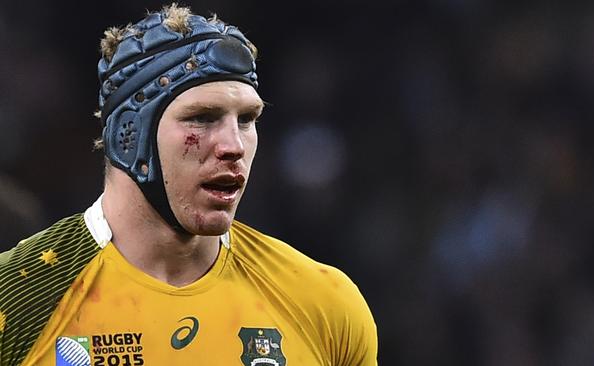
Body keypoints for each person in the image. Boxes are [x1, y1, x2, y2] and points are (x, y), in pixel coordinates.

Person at [0, 4, 377, 365]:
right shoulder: (16, 299)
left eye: (247, 119)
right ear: (128, 136)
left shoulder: (324, 303)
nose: (234, 146)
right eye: (202, 118)